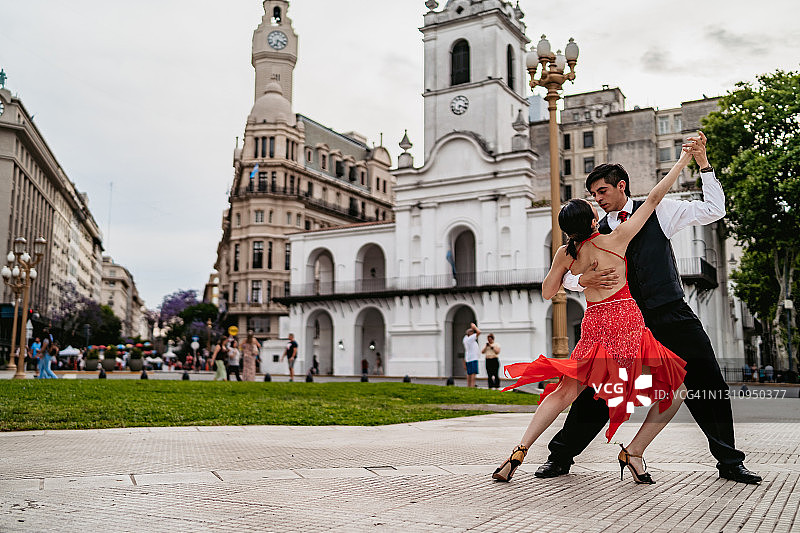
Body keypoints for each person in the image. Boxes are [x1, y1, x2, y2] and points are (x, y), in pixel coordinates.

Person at [534, 132, 761, 485]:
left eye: (602, 192)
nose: (597, 199)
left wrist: (703, 163)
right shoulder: (594, 231)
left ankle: (730, 462)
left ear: (621, 186)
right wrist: (586, 283)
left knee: (706, 382)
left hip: (670, 312)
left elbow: (715, 210)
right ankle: (560, 457)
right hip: (624, 321)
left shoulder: (660, 209)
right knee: (599, 391)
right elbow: (569, 276)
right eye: (593, 195)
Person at [493, 142, 697, 483]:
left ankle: (519, 450)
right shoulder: (615, 239)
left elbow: (547, 291)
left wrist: (579, 277)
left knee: (563, 393)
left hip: (594, 327)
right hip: (627, 326)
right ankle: (634, 451)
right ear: (592, 220)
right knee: (675, 390)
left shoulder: (565, 253)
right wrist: (683, 160)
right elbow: (655, 198)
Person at [462, 322, 481, 388]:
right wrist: (474, 327)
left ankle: (469, 386)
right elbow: (479, 332)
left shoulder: (465, 339)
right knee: (473, 373)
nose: (473, 332)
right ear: (469, 333)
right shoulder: (471, 338)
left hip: (468, 358)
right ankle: (472, 386)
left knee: (469, 373)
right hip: (473, 358)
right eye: (472, 331)